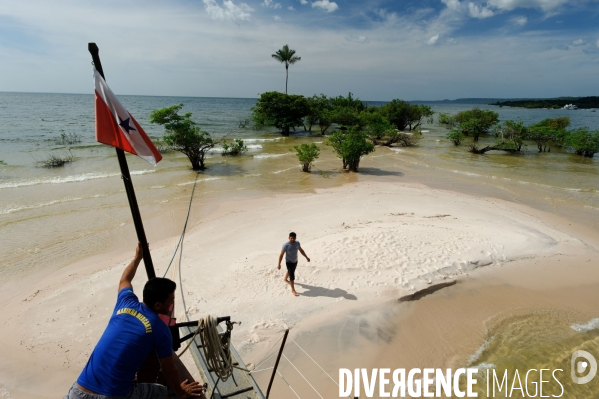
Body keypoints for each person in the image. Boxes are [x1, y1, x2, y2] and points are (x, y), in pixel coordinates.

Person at [63, 244, 204, 399]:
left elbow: (125, 279)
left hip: (78, 391)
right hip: (114, 396)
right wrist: (180, 391)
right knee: (161, 391)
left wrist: (137, 258)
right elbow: (169, 370)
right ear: (158, 305)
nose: (172, 304)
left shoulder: (125, 301)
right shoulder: (160, 330)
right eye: (170, 300)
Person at [277, 232, 310, 297]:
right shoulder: (285, 245)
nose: (292, 239)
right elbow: (281, 255)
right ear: (289, 238)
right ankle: (293, 290)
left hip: (295, 261)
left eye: (293, 238)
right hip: (288, 262)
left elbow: (301, 250)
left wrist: (306, 257)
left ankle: (285, 279)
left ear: (295, 238)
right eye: (291, 238)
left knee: (290, 271)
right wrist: (279, 264)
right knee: (292, 276)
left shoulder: (297, 243)